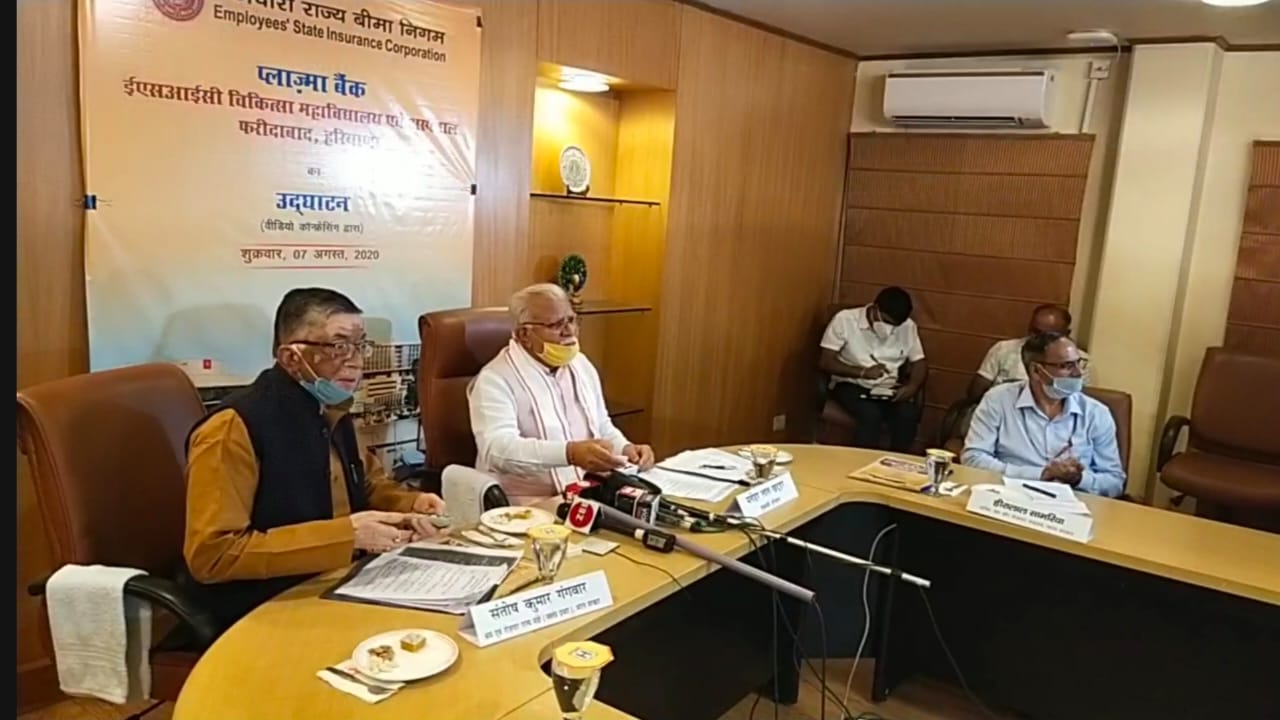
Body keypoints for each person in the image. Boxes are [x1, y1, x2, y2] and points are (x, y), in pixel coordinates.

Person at [183, 288, 448, 629]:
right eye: (339, 346)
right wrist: (348, 536)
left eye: (360, 345)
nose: (356, 361)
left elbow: (366, 483)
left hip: (340, 580)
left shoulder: (331, 406)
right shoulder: (233, 428)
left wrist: (411, 505)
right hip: (263, 606)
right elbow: (213, 555)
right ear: (292, 358)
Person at [468, 283, 656, 504]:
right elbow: (497, 450)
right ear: (524, 334)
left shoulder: (581, 364)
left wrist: (626, 448)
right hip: (523, 503)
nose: (569, 331)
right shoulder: (495, 379)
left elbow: (600, 425)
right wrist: (569, 454)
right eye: (556, 324)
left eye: (571, 320)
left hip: (585, 493)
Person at [961, 331, 1125, 497]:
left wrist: (1079, 479)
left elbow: (1115, 482)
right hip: (1009, 496)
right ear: (1035, 371)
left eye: (1078, 363)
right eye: (1066, 366)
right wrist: (1040, 474)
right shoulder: (998, 400)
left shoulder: (1097, 414)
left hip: (1071, 502)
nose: (1078, 373)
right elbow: (973, 458)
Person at [819, 286, 928, 452]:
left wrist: (912, 386)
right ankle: (862, 462)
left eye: (896, 325)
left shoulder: (908, 326)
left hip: (888, 389)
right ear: (875, 309)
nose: (890, 329)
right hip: (851, 384)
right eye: (887, 322)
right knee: (870, 414)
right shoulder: (845, 319)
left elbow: (919, 362)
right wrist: (862, 372)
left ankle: (897, 461)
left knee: (908, 414)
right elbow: (826, 361)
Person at [967, 304, 1091, 400]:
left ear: (1066, 333)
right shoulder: (1004, 349)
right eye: (1035, 332)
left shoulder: (1080, 362)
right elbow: (976, 392)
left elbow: (1078, 400)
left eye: (1048, 334)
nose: (1040, 339)